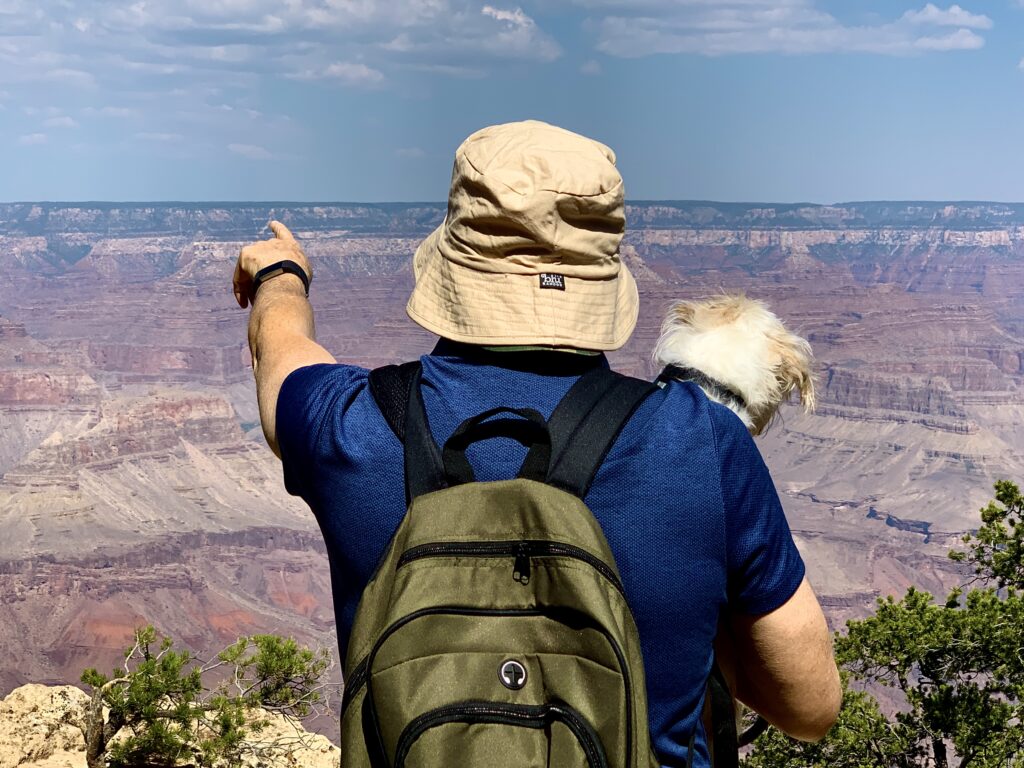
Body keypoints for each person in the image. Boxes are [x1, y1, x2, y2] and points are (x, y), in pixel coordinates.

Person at [232, 120, 841, 766]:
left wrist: (281, 274)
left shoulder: (350, 428)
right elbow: (809, 705)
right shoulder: (705, 446)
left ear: (455, 261)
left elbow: (282, 354)